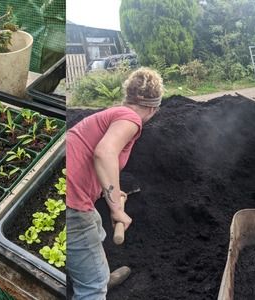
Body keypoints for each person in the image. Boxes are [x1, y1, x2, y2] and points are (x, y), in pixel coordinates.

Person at [66, 68, 164, 300]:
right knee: (92, 287)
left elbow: (89, 157)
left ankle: (92, 270)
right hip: (73, 202)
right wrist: (117, 210)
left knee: (95, 225)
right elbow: (104, 153)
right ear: (153, 108)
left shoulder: (112, 114)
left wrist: (108, 191)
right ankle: (93, 282)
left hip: (67, 187)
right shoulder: (131, 119)